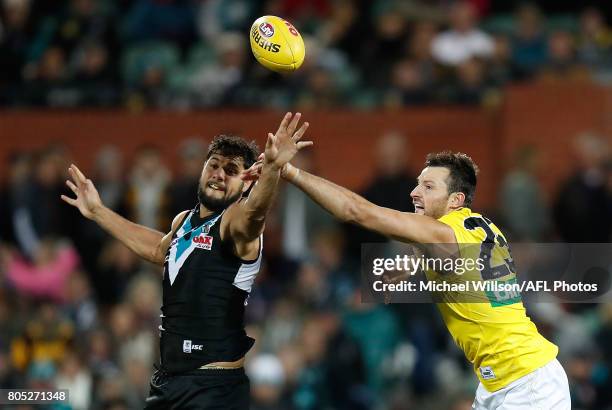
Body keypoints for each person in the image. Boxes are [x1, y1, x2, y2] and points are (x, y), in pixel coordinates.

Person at [247, 150, 571, 409]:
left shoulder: (442, 233)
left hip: (526, 384)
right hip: (508, 378)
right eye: (418, 183)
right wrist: (406, 266)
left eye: (428, 187)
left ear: (455, 200)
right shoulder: (478, 224)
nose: (415, 192)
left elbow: (356, 212)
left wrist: (290, 173)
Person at [61, 112, 311, 409]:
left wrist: (271, 169)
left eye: (231, 170)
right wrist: (99, 211)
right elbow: (157, 249)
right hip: (169, 380)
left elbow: (256, 212)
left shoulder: (235, 222)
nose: (218, 174)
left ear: (247, 183)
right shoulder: (184, 221)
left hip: (212, 386)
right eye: (214, 165)